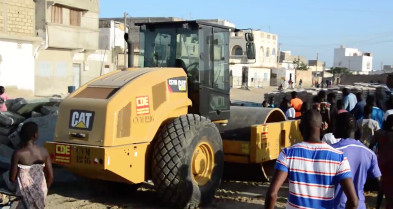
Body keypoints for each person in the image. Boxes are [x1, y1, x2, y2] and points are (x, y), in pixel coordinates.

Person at [265, 110, 358, 209]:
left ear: (300, 128)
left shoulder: (288, 153)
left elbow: (272, 194)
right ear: (322, 128)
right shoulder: (339, 157)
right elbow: (353, 201)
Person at [331, 113, 381, 209]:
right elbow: (378, 181)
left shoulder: (332, 151)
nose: (333, 130)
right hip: (360, 205)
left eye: (335, 126)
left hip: (337, 205)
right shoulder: (369, 153)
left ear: (344, 127)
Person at [9, 122, 54, 209]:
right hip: (41, 191)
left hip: (24, 193)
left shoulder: (18, 154)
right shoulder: (43, 152)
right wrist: (44, 188)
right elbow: (50, 176)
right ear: (35, 135)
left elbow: (12, 178)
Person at [371, 115, 393, 209]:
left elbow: (370, 145)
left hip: (382, 162)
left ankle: (377, 206)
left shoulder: (379, 133)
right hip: (391, 163)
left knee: (382, 187)